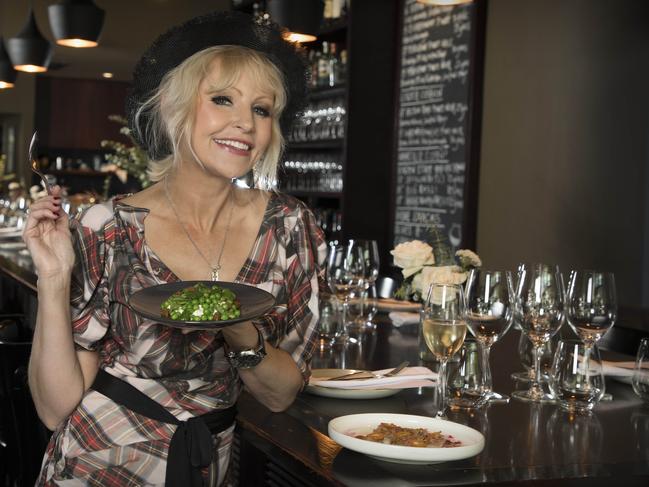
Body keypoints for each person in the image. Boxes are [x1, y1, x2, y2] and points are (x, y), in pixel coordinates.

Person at [24, 11, 326, 486]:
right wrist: (54, 276)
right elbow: (52, 407)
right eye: (222, 100)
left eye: (262, 109)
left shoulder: (290, 227)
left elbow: (280, 395)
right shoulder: (107, 227)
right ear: (174, 107)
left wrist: (238, 324)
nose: (244, 123)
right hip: (99, 460)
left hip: (209, 461)